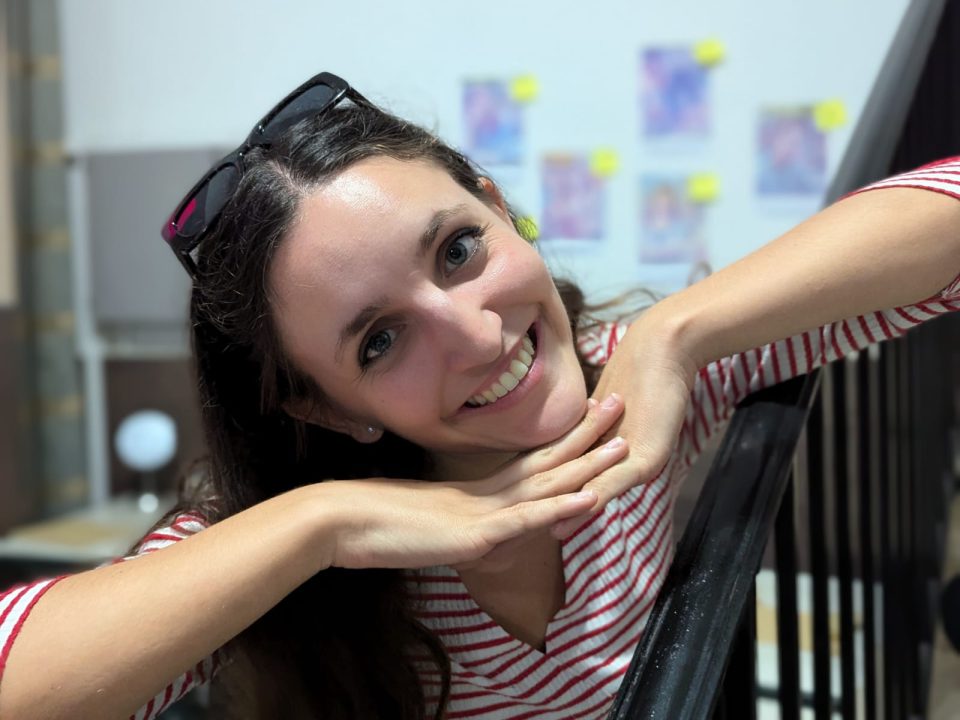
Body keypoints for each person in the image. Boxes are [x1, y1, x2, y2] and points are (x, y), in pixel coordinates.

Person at [0, 71, 958, 720]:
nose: (475, 334)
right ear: (327, 409)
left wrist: (678, 330)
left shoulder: (635, 387)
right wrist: (329, 523)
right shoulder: (288, 540)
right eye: (379, 342)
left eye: (459, 250)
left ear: (501, 208)